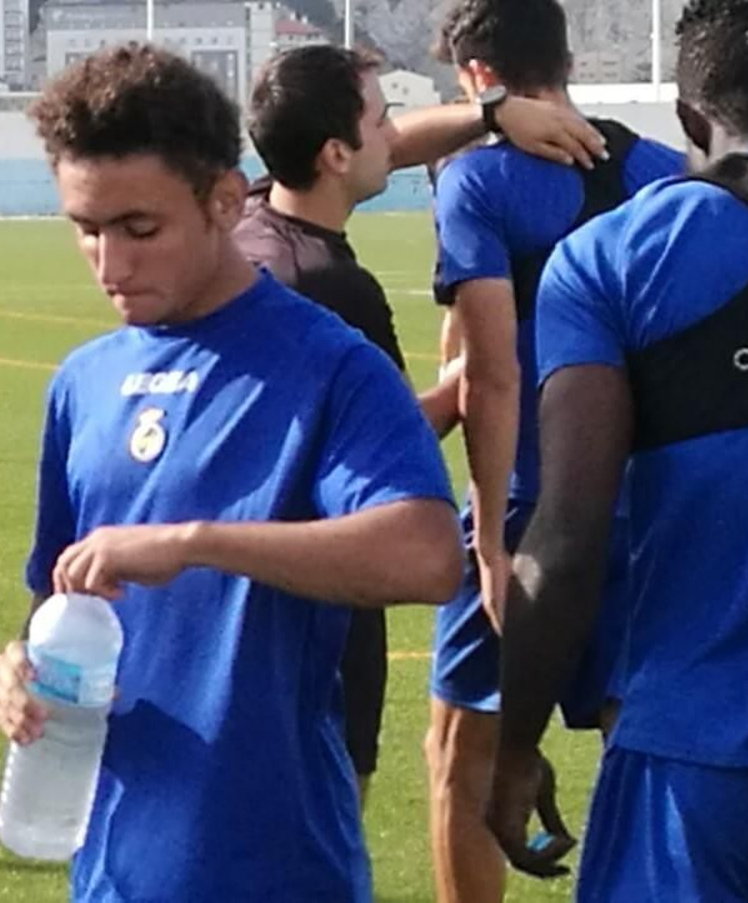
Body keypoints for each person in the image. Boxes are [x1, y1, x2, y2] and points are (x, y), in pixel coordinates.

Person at [0, 43, 464, 902]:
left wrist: (199, 542)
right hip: (114, 870)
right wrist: (19, 666)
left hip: (276, 866)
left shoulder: (329, 364)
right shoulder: (82, 385)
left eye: (139, 229)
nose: (109, 263)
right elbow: (63, 603)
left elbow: (427, 554)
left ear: (223, 198)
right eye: (86, 229)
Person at [487, 1, 748, 899]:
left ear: (691, 121)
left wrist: (513, 747)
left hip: (691, 759)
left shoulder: (607, 259)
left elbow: (566, 537)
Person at [235, 44, 607, 803]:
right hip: (327, 617)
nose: (395, 134)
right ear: (335, 152)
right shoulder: (334, 289)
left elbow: (391, 148)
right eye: (379, 120)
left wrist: (495, 111)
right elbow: (387, 441)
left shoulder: (250, 223)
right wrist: (475, 373)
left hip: (250, 606)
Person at [424, 1, 688, 899]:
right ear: (567, 59)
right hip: (641, 500)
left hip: (533, 495)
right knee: (644, 744)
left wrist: (491, 539)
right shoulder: (661, 172)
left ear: (474, 77)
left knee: (464, 754)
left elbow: (489, 375)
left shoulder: (476, 180)